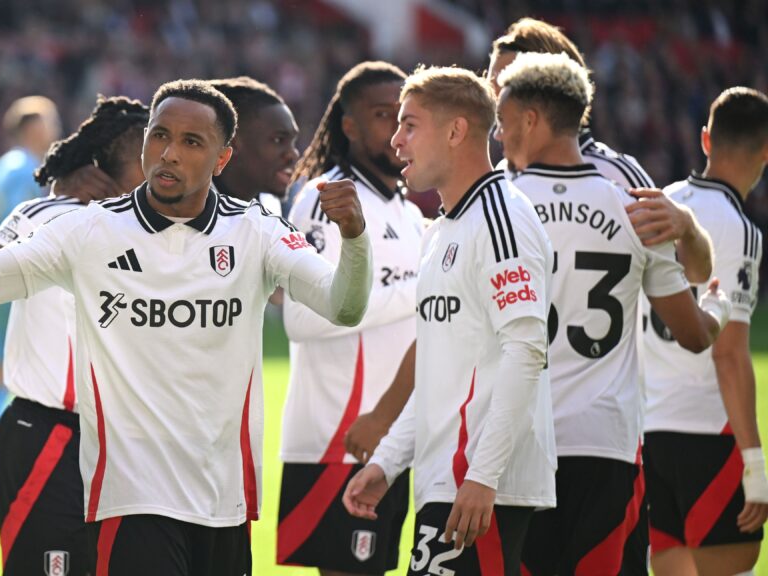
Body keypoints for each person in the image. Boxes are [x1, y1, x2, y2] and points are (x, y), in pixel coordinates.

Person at [0, 79, 374, 576]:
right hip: (130, 500)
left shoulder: (257, 232)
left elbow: (344, 306)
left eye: (191, 142)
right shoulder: (88, 230)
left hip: (223, 499)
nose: (169, 153)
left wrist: (354, 238)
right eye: (159, 136)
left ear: (221, 159)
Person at [494, 51, 730, 575]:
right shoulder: (633, 206)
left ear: (531, 121)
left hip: (517, 447)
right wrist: (717, 304)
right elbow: (692, 335)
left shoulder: (498, 210)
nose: (500, 136)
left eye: (504, 122)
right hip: (606, 446)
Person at [344, 65, 556, 574]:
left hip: (479, 486)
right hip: (448, 480)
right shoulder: (442, 230)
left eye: (410, 125)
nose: (395, 140)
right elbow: (443, 375)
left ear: (457, 131)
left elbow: (527, 351)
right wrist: (388, 462)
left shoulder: (502, 216)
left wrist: (483, 475)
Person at [0, 96, 149, 576]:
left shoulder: (168, 229)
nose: (170, 162)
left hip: (130, 443)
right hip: (53, 437)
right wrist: (54, 197)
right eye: (154, 150)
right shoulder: (50, 214)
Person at [274, 61, 422, 576]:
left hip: (394, 436)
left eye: (406, 117)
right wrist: (420, 292)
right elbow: (301, 318)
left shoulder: (407, 209)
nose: (398, 130)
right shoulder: (326, 201)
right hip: (340, 435)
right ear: (350, 125)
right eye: (383, 115)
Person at [643, 87, 768, 575]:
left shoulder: (660, 202)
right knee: (734, 560)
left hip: (646, 431)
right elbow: (730, 354)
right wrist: (755, 462)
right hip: (706, 434)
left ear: (705, 140)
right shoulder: (738, 228)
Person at [486, 17, 713, 285]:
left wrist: (688, 228)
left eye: (508, 83)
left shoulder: (619, 175)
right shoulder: (499, 180)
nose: (496, 97)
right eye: (492, 85)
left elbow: (693, 277)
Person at [0, 95, 61, 435]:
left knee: (2, 375)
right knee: (16, 378)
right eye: (50, 122)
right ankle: (4, 450)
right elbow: (25, 231)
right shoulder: (25, 171)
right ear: (32, 127)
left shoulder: (8, 166)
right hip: (13, 281)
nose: (56, 130)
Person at [208, 76, 300, 216]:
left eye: (293, 142)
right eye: (278, 140)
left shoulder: (270, 210)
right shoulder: (183, 213)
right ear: (232, 142)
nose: (293, 154)